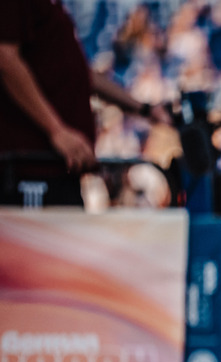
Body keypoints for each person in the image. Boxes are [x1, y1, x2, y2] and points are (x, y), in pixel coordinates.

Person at [0, 0, 170, 207]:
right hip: (30, 166)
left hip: (61, 167)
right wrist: (57, 130)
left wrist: (144, 108)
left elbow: (78, 72)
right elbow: (5, 57)